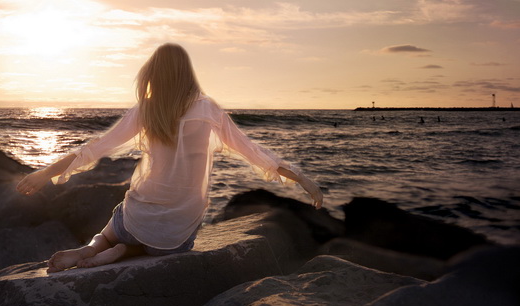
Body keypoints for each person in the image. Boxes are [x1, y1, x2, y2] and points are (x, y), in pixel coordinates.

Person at [17, 43, 324, 273]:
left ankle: (94, 249)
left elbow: (96, 148)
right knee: (161, 238)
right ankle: (125, 253)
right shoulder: (209, 110)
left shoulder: (146, 110)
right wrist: (303, 179)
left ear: (153, 73)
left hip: (137, 216)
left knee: (111, 227)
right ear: (187, 74)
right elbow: (254, 152)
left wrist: (45, 173)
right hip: (177, 232)